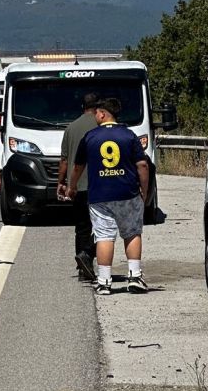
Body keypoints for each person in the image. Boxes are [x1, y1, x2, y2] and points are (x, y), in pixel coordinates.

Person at [70, 97, 149, 296]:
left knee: (104, 236)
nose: (95, 116)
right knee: (132, 232)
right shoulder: (129, 135)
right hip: (127, 192)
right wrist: (144, 190)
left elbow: (78, 167)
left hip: (99, 195)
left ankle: (104, 281)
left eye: (96, 113)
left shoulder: (90, 137)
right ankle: (135, 276)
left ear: (103, 113)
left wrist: (71, 186)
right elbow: (142, 165)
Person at [58, 93, 99, 281]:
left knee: (81, 228)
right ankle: (88, 255)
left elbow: (65, 160)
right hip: (100, 185)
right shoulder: (100, 126)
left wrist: (62, 183)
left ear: (82, 106)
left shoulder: (71, 128)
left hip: (78, 186)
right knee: (103, 227)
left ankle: (83, 269)